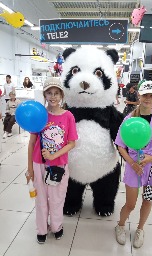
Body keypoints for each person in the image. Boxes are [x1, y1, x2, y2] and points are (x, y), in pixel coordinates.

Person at [114, 80, 152, 248]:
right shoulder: (129, 118)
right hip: (134, 166)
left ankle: (140, 229)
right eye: (144, 95)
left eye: (151, 95)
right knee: (131, 204)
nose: (147, 98)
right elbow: (120, 144)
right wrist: (132, 162)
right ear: (139, 95)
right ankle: (120, 225)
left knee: (147, 200)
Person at [27, 77, 78, 244]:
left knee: (57, 199)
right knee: (40, 199)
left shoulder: (68, 116)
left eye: (56, 93)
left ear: (61, 95)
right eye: (49, 93)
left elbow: (71, 143)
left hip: (59, 166)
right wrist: (30, 169)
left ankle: (56, 226)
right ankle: (41, 229)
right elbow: (32, 142)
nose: (53, 96)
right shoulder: (39, 114)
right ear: (44, 94)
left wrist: (53, 156)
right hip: (39, 164)